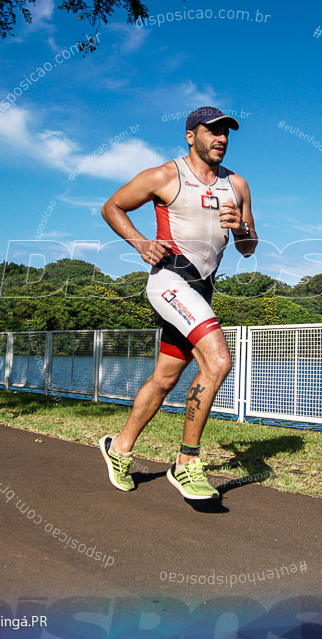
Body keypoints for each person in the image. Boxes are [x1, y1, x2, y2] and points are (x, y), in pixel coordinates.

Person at [99, 106, 257, 500]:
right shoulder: (165, 176)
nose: (221, 138)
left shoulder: (237, 185)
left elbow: (249, 248)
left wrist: (241, 227)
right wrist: (141, 243)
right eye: (212, 131)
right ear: (191, 136)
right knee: (218, 360)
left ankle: (119, 448)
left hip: (202, 289)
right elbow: (111, 207)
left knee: (166, 378)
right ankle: (186, 463)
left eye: (226, 132)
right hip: (170, 281)